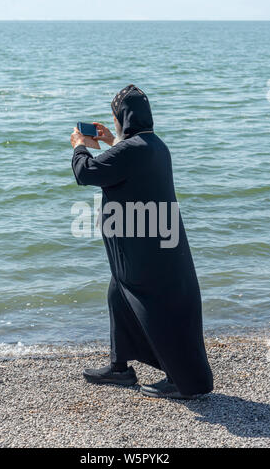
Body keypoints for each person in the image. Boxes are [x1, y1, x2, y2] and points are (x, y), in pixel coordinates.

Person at [70, 84, 213, 399]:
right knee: (118, 294)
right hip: (155, 244)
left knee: (154, 306)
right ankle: (119, 368)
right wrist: (111, 140)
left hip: (143, 249)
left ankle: (182, 380)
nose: (116, 123)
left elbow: (87, 172)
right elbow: (126, 162)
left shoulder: (132, 150)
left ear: (124, 116)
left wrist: (80, 146)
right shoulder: (154, 145)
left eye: (116, 118)